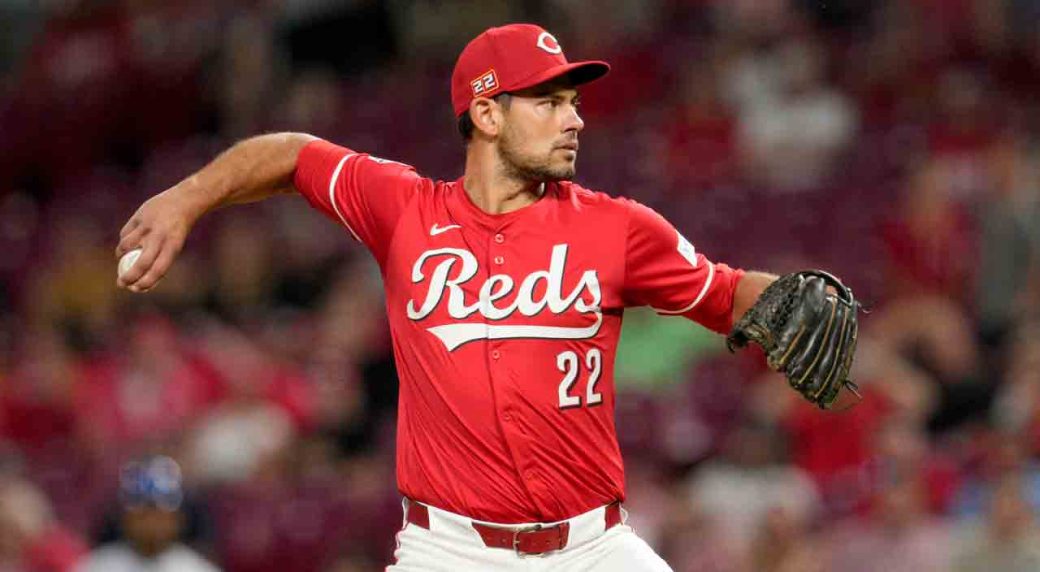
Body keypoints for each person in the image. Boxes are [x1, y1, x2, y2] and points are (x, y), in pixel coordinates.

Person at [115, 23, 822, 571]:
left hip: (592, 548)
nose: (574, 119)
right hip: (449, 551)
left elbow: (727, 293)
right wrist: (187, 198)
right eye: (548, 102)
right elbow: (294, 155)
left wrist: (795, 299)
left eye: (572, 102)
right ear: (486, 113)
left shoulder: (618, 228)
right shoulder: (405, 210)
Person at [75, 456, 220, 572]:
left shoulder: (197, 568)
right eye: (144, 514)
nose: (152, 524)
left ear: (177, 519)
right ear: (126, 517)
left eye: (160, 514)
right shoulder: (96, 566)